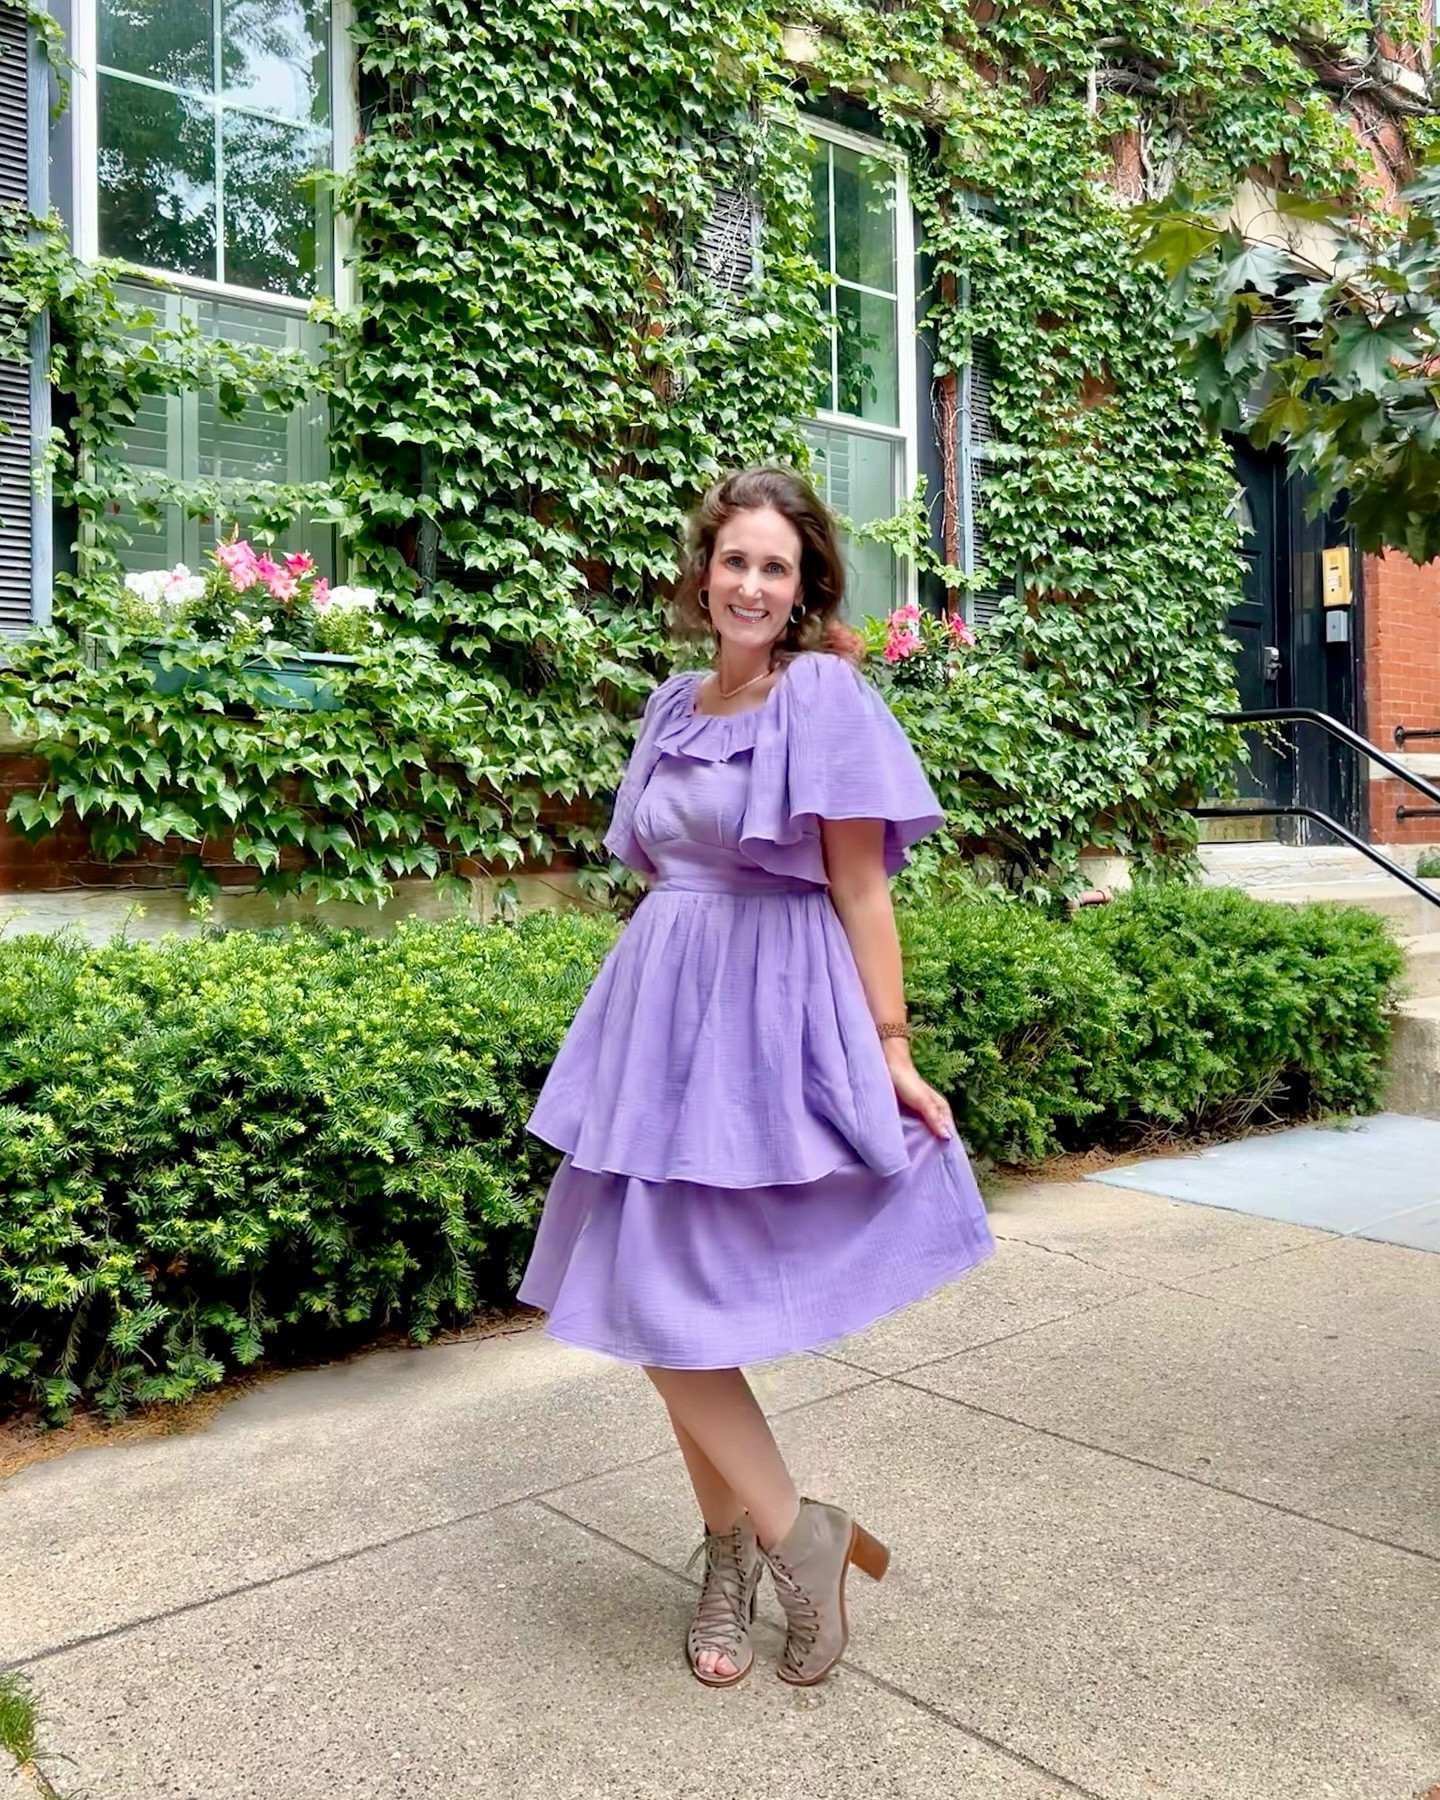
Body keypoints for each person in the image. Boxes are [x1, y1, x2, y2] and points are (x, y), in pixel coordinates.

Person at [519, 466, 994, 1689]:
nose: (751, 583)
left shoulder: (822, 695)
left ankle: (792, 1540)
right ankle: (737, 1553)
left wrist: (888, 1048)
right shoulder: (673, 704)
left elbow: (859, 887)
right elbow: (655, 864)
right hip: (659, 1026)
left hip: (766, 1022)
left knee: (669, 1307)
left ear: (804, 587)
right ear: (704, 572)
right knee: (662, 1304)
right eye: (734, 560)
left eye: (775, 567)